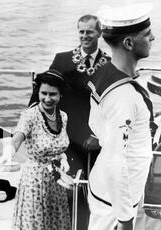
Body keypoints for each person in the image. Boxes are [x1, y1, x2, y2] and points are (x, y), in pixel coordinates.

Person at [75, 3, 156, 230]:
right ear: (128, 42)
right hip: (116, 199)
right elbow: (114, 158)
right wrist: (125, 214)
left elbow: (96, 126)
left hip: (108, 192)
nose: (153, 39)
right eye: (148, 35)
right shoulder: (124, 95)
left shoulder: (106, 74)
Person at [0, 70, 71, 230]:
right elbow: (19, 135)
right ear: (37, 93)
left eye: (53, 95)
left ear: (60, 96)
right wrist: (9, 151)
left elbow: (60, 147)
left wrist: (64, 160)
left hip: (56, 180)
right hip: (35, 181)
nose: (48, 99)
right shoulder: (30, 115)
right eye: (43, 94)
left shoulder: (64, 117)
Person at [30, 15, 111, 175]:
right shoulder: (62, 60)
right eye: (81, 32)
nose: (84, 36)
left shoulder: (110, 64)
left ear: (99, 33)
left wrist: (99, 135)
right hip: (67, 130)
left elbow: (112, 104)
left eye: (90, 32)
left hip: (95, 133)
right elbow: (43, 87)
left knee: (95, 179)